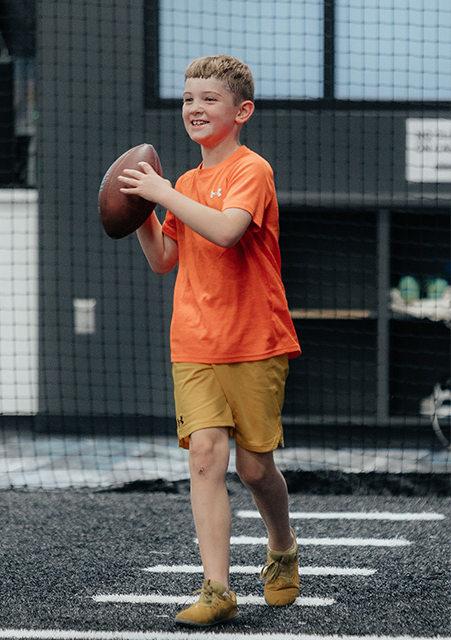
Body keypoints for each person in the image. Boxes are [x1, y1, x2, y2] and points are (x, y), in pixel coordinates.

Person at [118, 54, 301, 628]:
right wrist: (143, 211)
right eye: (187, 99)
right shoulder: (185, 185)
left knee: (253, 469)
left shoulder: (253, 169)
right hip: (193, 340)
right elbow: (164, 260)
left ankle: (282, 543)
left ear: (241, 111)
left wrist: (161, 193)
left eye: (208, 99)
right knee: (204, 457)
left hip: (255, 338)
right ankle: (217, 589)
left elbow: (225, 232)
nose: (194, 109)